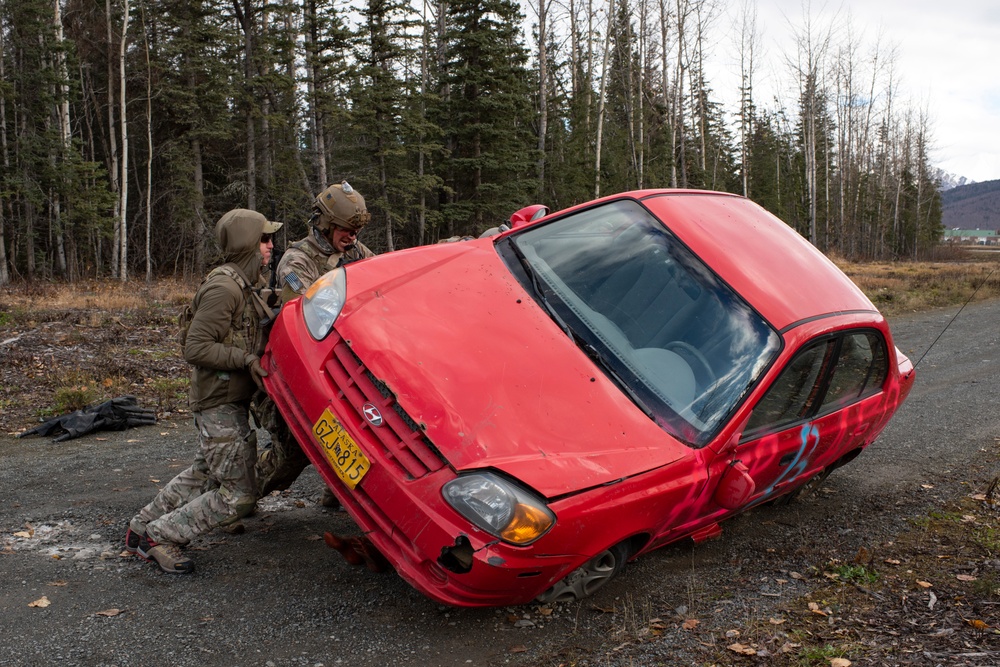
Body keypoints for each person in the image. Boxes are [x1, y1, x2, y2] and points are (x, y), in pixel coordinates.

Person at [124, 209, 281, 573]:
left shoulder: (243, 283)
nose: (271, 245)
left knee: (205, 472)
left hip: (226, 400)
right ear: (247, 244)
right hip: (218, 402)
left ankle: (138, 528)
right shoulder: (224, 288)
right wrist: (245, 359)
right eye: (264, 239)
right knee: (239, 496)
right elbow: (195, 347)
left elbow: (260, 309)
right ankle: (159, 536)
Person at [255, 181, 374, 505]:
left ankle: (339, 494)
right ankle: (237, 496)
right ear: (325, 226)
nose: (352, 237)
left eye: (356, 230)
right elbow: (307, 317)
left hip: (345, 364)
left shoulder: (355, 252)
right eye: (346, 229)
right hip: (298, 368)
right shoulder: (297, 261)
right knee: (290, 457)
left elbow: (378, 284)